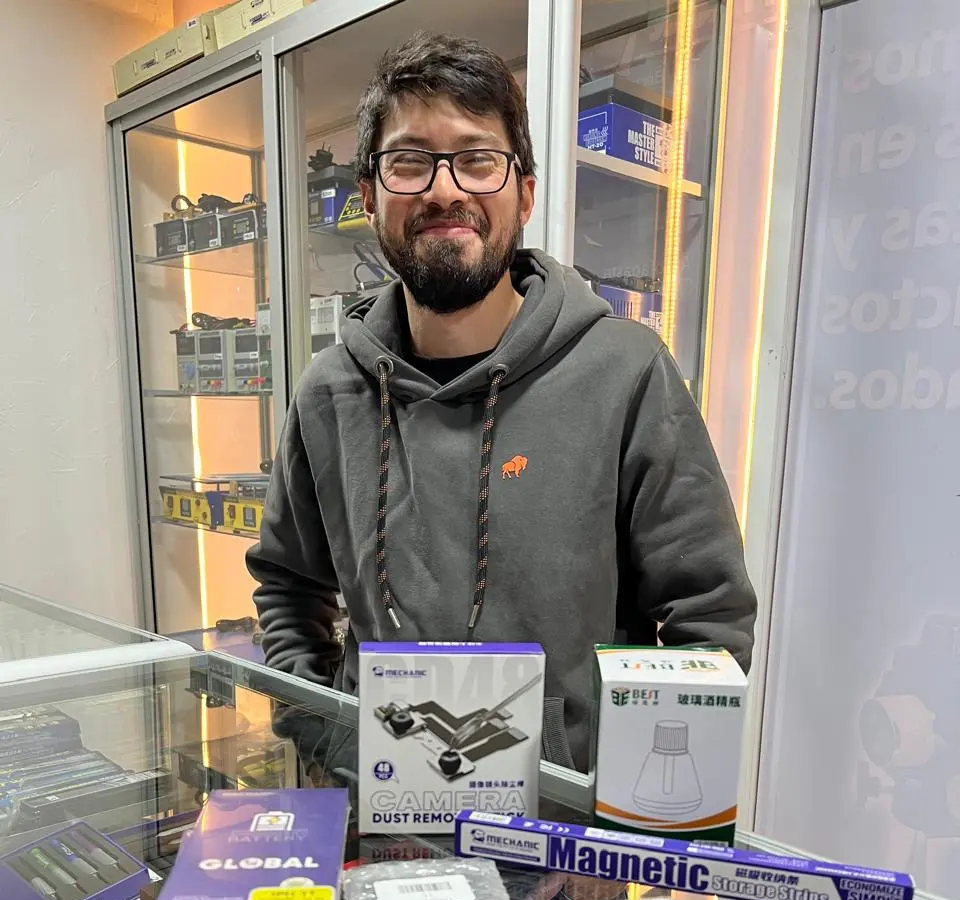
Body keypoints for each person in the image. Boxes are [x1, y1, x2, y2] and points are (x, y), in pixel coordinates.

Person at [247, 30, 757, 773]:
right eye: (409, 161)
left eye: (477, 159)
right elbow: (289, 587)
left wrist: (627, 811)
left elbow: (707, 621)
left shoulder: (625, 372)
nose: (444, 190)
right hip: (381, 809)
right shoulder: (328, 391)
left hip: (561, 824)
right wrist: (332, 740)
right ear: (370, 195)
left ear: (524, 193)